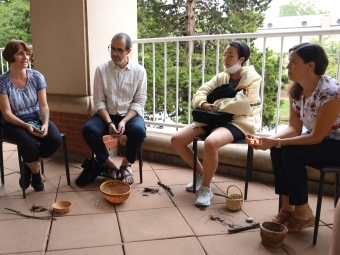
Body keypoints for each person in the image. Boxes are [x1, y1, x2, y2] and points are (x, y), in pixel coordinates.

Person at [246, 42, 340, 232]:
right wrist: (269, 141)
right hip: (322, 140)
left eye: (293, 62)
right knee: (277, 148)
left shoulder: (331, 92)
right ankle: (288, 208)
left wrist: (277, 141)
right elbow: (293, 128)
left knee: (291, 153)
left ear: (310, 65)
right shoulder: (297, 91)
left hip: (336, 144)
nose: (287, 67)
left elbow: (316, 137)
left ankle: (304, 212)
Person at [171, 41, 262, 206]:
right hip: (214, 118)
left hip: (239, 122)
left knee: (211, 142)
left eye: (230, 55)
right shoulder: (222, 76)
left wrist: (215, 103)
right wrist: (203, 104)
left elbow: (241, 104)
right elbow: (201, 92)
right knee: (177, 139)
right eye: (225, 54)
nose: (226, 59)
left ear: (241, 59)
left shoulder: (253, 78)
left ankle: (206, 188)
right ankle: (202, 174)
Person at [82, 33, 147, 185]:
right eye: (112, 48)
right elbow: (98, 101)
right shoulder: (101, 70)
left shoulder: (139, 71)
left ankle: (126, 165)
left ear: (128, 51)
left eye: (119, 50)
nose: (114, 53)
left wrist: (124, 121)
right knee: (88, 130)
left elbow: (139, 102)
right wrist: (110, 122)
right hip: (106, 114)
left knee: (139, 131)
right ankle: (109, 165)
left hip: (129, 115)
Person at [0, 39, 62, 191]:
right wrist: (26, 126)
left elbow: (43, 105)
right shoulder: (2, 82)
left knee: (55, 139)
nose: (26, 57)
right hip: (12, 123)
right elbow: (7, 113)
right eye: (20, 54)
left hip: (36, 119)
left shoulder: (37, 76)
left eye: (27, 53)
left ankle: (28, 166)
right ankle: (36, 174)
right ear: (10, 57)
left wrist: (45, 123)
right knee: (29, 143)